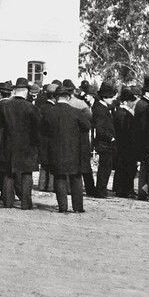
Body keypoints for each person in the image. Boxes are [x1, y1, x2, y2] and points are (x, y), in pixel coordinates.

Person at [40, 79, 92, 213]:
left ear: (56, 97)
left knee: (59, 178)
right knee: (75, 179)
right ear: (68, 97)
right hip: (74, 151)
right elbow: (87, 126)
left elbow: (43, 134)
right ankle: (78, 207)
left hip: (56, 151)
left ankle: (63, 207)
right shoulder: (76, 112)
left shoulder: (49, 113)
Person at [0, 77, 41, 209]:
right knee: (26, 174)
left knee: (8, 174)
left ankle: (8, 202)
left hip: (8, 145)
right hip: (27, 147)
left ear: (15, 90)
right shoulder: (32, 108)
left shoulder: (4, 107)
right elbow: (37, 131)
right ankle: (26, 203)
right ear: (26, 91)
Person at [91, 82, 117, 198]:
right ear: (105, 97)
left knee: (105, 167)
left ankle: (101, 190)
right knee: (104, 168)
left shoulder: (102, 107)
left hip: (104, 143)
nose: (112, 99)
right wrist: (111, 137)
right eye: (110, 97)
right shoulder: (100, 109)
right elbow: (100, 128)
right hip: (104, 143)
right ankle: (101, 191)